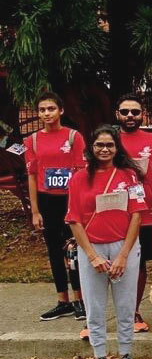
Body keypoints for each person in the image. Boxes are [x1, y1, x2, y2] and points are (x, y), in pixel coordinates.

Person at [67, 125, 146, 359]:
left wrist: (124, 255)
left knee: (125, 307)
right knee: (95, 307)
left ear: (117, 148)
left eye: (109, 145)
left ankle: (126, 356)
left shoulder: (129, 175)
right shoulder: (79, 179)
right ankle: (100, 358)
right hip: (92, 248)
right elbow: (74, 220)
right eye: (99, 145)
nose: (104, 149)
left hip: (124, 246)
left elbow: (137, 215)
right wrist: (91, 256)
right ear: (91, 148)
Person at [27, 93, 87, 321]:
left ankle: (80, 298)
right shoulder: (32, 141)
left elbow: (81, 173)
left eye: (51, 108)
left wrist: (78, 205)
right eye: (42, 110)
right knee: (54, 250)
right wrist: (35, 211)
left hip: (70, 199)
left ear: (60, 110)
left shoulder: (73, 137)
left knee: (73, 250)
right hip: (46, 200)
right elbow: (32, 176)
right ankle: (63, 300)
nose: (46, 113)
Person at [113, 94, 152, 333]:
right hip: (116, 213)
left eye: (135, 112)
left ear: (143, 114)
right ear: (117, 115)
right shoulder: (109, 139)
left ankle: (133, 311)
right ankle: (108, 313)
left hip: (145, 213)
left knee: (138, 264)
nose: (130, 116)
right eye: (125, 112)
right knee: (112, 263)